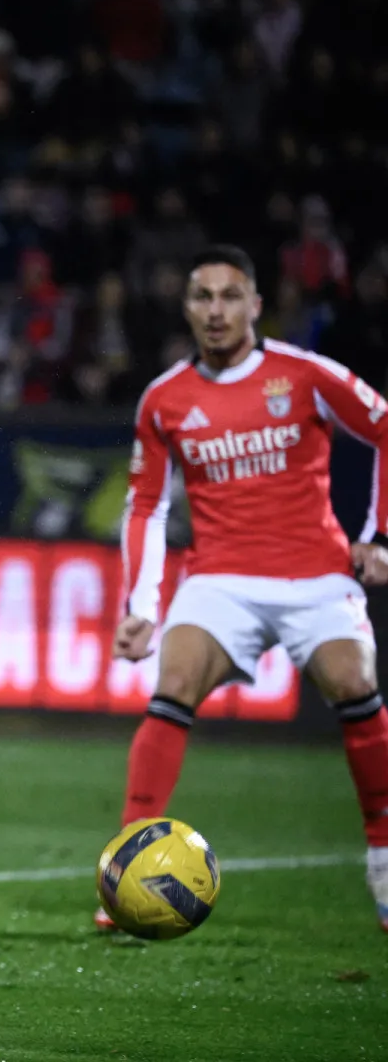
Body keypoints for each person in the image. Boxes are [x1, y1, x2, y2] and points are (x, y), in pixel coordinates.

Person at [110, 244, 388, 933]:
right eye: (202, 296)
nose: (215, 310)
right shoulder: (165, 397)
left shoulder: (304, 374)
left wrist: (378, 536)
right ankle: (127, 867)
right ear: (186, 308)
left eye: (229, 296)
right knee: (171, 685)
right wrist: (141, 607)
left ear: (256, 305)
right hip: (220, 578)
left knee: (355, 685)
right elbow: (144, 505)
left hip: (315, 573)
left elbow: (384, 429)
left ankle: (383, 858)